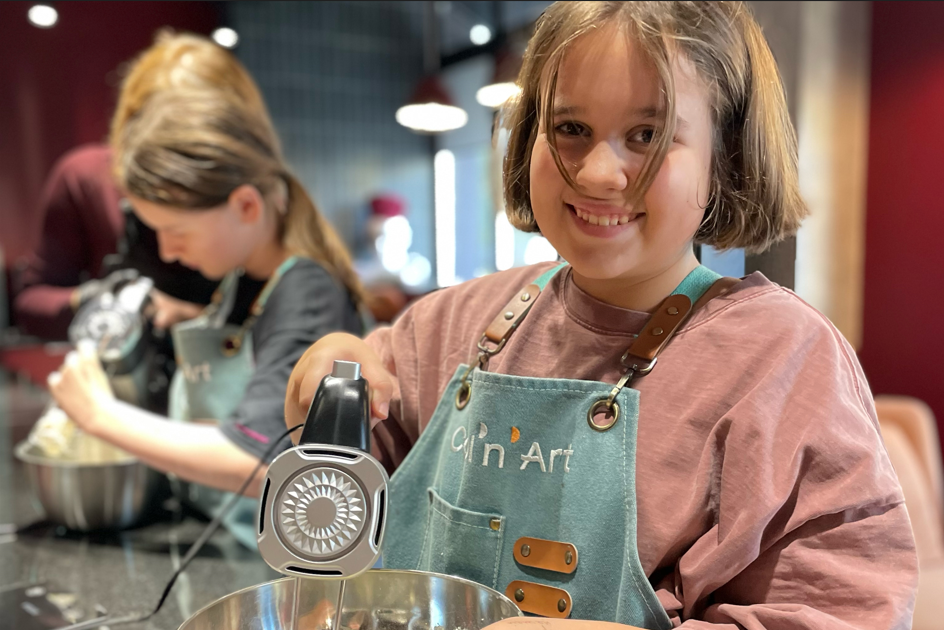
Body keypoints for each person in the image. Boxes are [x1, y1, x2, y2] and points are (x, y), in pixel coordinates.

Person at [283, 2, 917, 628]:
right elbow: (344, 506)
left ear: (724, 159)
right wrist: (330, 369)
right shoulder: (449, 323)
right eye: (571, 129)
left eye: (648, 136)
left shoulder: (783, 362)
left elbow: (847, 615)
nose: (599, 173)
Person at [48, 87, 366, 549]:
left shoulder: (307, 291)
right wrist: (192, 315)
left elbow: (263, 461)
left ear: (246, 206)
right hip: (222, 534)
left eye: (175, 231)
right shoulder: (240, 278)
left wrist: (98, 414)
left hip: (276, 559)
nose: (166, 251)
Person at [13, 31, 276, 341]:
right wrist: (94, 300)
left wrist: (192, 319)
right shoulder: (85, 178)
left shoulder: (255, 202)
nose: (168, 251)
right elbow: (30, 304)